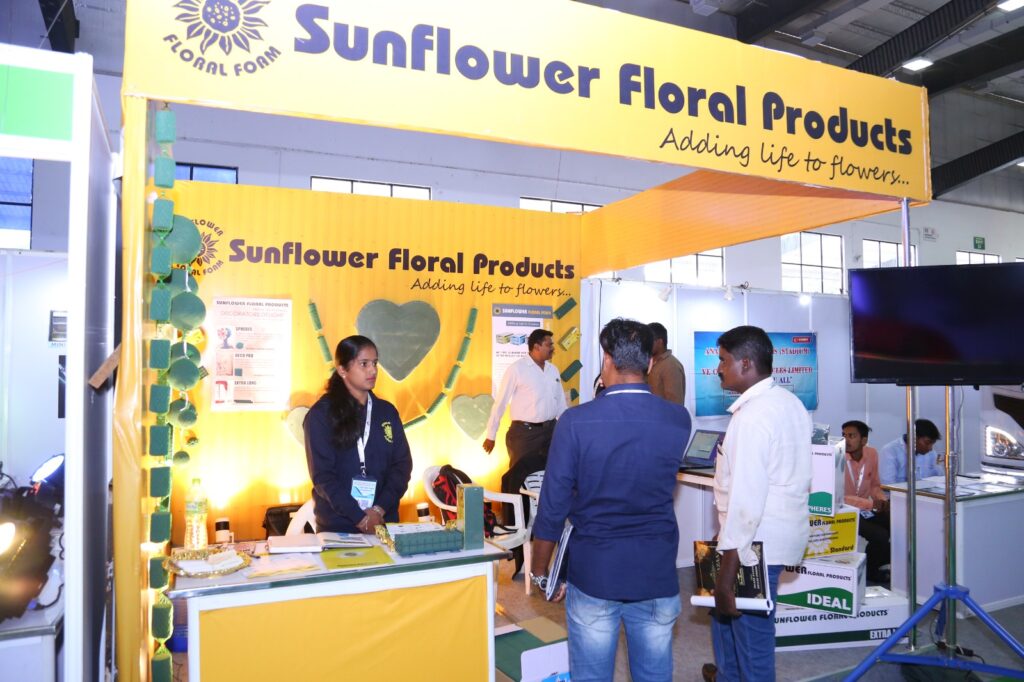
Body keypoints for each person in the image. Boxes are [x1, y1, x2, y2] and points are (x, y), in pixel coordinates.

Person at [530, 318, 692, 682]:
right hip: (655, 571)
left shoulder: (575, 421)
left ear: (606, 360)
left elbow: (553, 503)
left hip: (595, 572)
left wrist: (541, 570)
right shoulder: (678, 419)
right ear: (650, 362)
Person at [708, 325, 811, 682]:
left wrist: (727, 572)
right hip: (768, 538)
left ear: (746, 364)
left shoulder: (753, 416)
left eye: (724, 361)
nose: (718, 369)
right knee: (725, 624)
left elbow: (746, 500)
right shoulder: (789, 402)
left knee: (752, 643)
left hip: (754, 546)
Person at [303, 335, 412, 533]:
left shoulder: (387, 412)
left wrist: (378, 510)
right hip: (339, 527)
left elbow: (402, 466)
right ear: (342, 370)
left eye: (375, 363)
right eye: (364, 364)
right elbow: (323, 476)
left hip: (384, 522)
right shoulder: (320, 415)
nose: (373, 370)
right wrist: (360, 518)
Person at [483, 328, 568, 525]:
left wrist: (565, 431)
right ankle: (515, 525)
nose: (553, 348)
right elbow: (500, 403)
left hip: (550, 431)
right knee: (517, 479)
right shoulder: (517, 369)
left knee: (552, 475)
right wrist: (491, 435)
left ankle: (545, 522)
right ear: (536, 346)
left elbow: (561, 404)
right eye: (549, 344)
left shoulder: (553, 370)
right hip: (524, 435)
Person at [842, 420, 890, 584]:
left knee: (897, 525)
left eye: (851, 436)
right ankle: (870, 572)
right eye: (844, 435)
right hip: (843, 510)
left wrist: (882, 500)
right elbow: (838, 496)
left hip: (864, 509)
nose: (846, 440)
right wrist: (870, 504)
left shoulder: (872, 454)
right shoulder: (837, 457)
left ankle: (877, 563)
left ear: (864, 440)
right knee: (880, 535)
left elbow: (874, 485)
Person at [878, 418, 942, 484]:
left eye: (933, 443)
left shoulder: (931, 453)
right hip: (899, 491)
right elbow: (888, 484)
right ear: (913, 437)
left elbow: (939, 478)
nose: (930, 448)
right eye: (927, 443)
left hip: (927, 490)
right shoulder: (890, 451)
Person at [646, 321, 686, 404]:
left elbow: (675, 404)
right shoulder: (649, 362)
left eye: (649, 341)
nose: (646, 344)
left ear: (660, 342)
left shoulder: (671, 366)